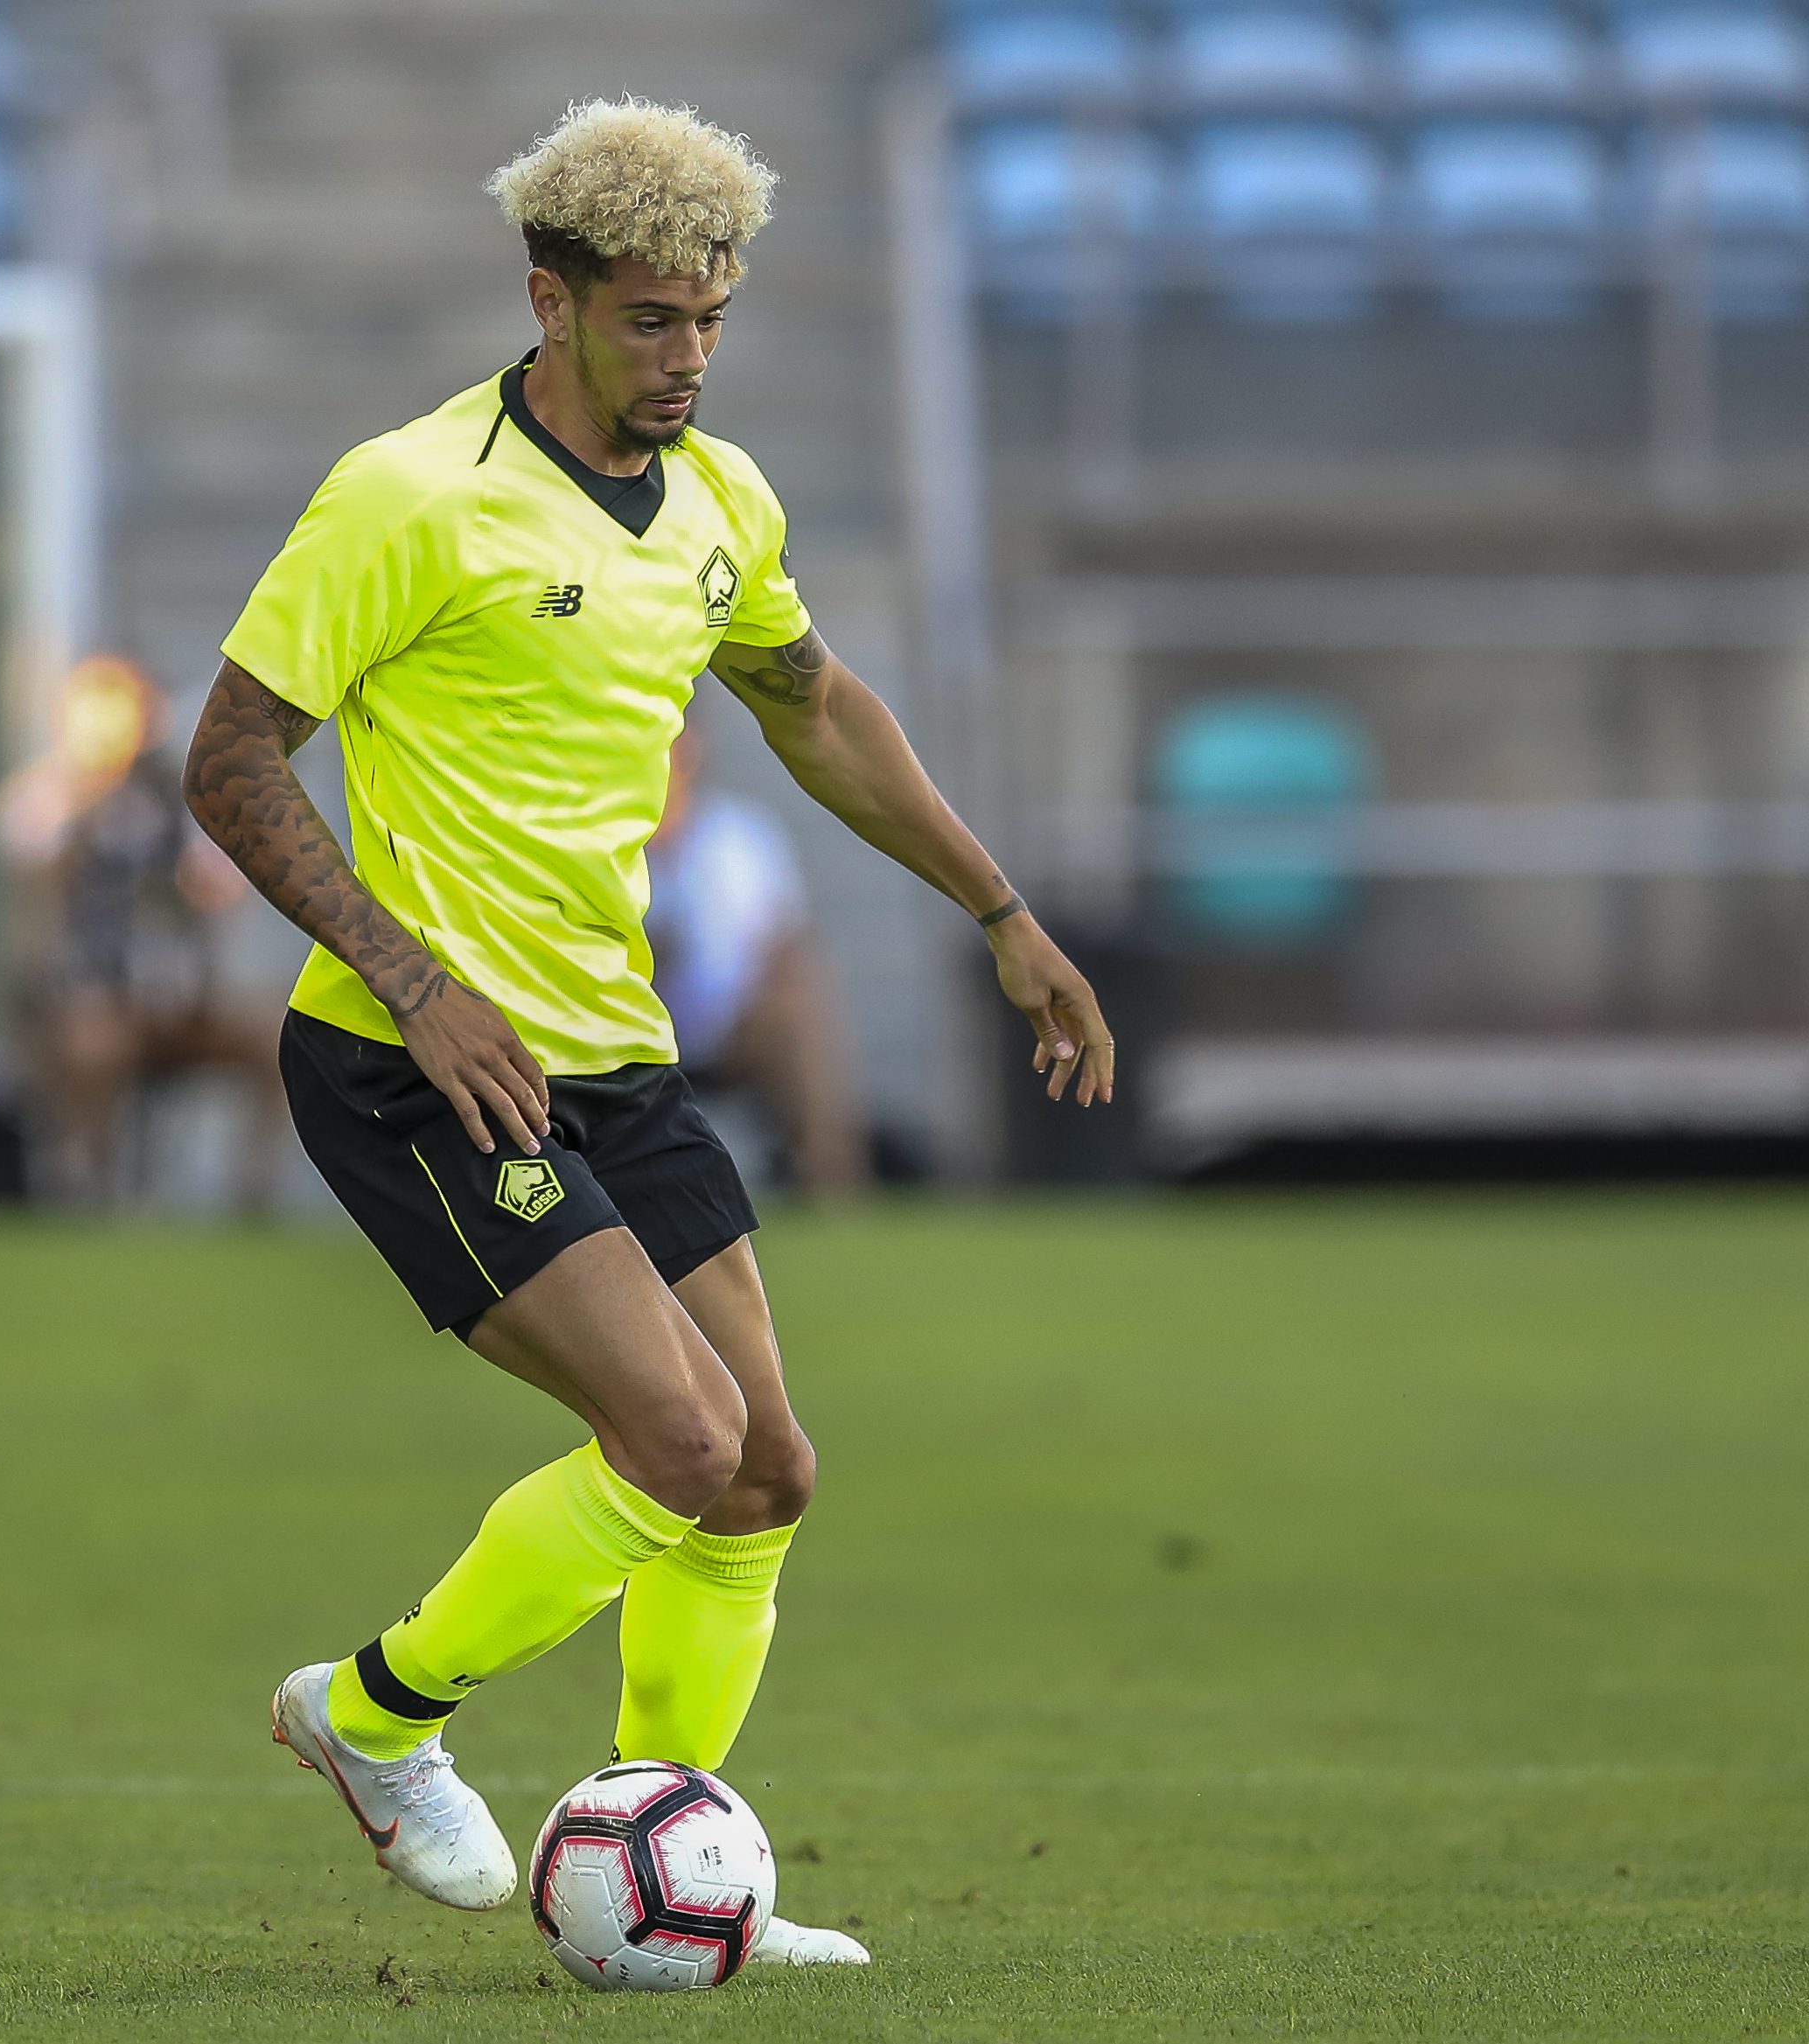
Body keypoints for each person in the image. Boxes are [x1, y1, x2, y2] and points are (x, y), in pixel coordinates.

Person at [180, 99, 1114, 1965]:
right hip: (410, 1056)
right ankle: (369, 1715)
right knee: (676, 1440)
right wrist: (417, 978)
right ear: (551, 300)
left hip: (611, 1051)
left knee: (764, 1467)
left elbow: (817, 705)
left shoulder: (721, 502)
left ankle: (684, 1863)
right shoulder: (410, 493)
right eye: (649, 321)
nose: (685, 356)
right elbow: (227, 762)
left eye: (711, 322)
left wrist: (1002, 911)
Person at [0, 655, 289, 1210]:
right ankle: (84, 1187)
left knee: (276, 1035)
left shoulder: (179, 796)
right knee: (92, 1043)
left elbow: (219, 891)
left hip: (179, 998)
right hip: (93, 997)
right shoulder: (45, 797)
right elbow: (34, 898)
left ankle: (254, 1194)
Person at [646, 725, 870, 1197]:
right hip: (637, 1023)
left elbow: (786, 941)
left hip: (732, 1029)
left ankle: (831, 1182)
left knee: (799, 1009)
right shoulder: (611, 843)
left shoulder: (741, 832)